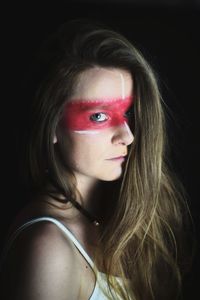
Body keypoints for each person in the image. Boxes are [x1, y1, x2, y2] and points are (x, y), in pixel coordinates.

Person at [0, 18, 192, 300]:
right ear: (52, 125)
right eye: (99, 116)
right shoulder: (48, 248)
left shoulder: (108, 215)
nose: (127, 136)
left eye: (127, 114)